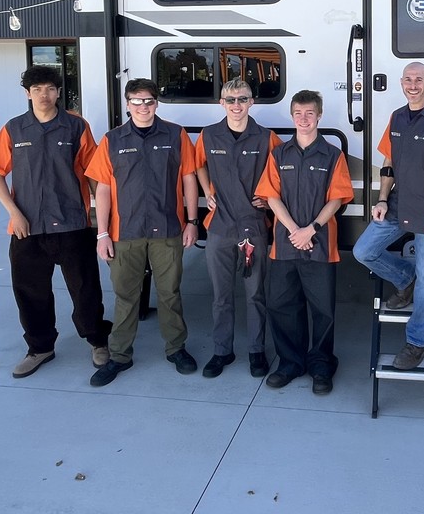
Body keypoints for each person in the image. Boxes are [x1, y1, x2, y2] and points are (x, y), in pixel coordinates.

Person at [0, 65, 112, 378]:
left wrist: (99, 219)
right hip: (27, 229)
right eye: (37, 89)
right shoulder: (14, 128)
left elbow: (93, 175)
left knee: (86, 290)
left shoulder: (76, 126)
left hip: (72, 225)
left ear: (58, 92)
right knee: (30, 292)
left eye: (50, 88)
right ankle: (40, 347)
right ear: (28, 93)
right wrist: (14, 213)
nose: (44, 94)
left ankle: (97, 341)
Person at [84, 78, 200, 387]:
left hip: (168, 229)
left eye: (148, 101)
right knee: (125, 296)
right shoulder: (112, 140)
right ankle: (120, 355)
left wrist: (192, 221)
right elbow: (104, 189)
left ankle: (176, 349)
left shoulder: (176, 135)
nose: (143, 107)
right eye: (136, 101)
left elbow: (189, 178)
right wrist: (102, 233)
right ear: (127, 105)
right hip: (125, 233)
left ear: (156, 103)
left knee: (170, 293)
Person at [352, 62, 424, 370]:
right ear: (401, 83)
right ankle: (404, 277)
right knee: (363, 251)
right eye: (408, 79)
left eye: (419, 80)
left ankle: (418, 343)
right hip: (399, 203)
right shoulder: (397, 117)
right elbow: (388, 160)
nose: (413, 84)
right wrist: (383, 199)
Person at [254, 90, 353, 395]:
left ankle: (321, 364)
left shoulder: (333, 155)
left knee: (322, 309)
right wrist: (295, 230)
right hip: (284, 243)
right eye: (298, 113)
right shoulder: (278, 155)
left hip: (321, 243)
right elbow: (271, 196)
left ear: (320, 116)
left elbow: (337, 198)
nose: (304, 119)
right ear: (292, 115)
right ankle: (290, 362)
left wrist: (310, 229)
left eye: (310, 113)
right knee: (282, 305)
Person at [194, 78, 280, 379]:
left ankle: (257, 352)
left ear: (251, 102)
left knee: (256, 294)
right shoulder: (208, 135)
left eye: (242, 99)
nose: (236, 105)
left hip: (253, 225)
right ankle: (222, 351)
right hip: (219, 227)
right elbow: (199, 165)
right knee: (221, 295)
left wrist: (269, 199)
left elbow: (280, 172)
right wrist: (207, 190)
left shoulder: (266, 138)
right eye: (230, 100)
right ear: (221, 103)